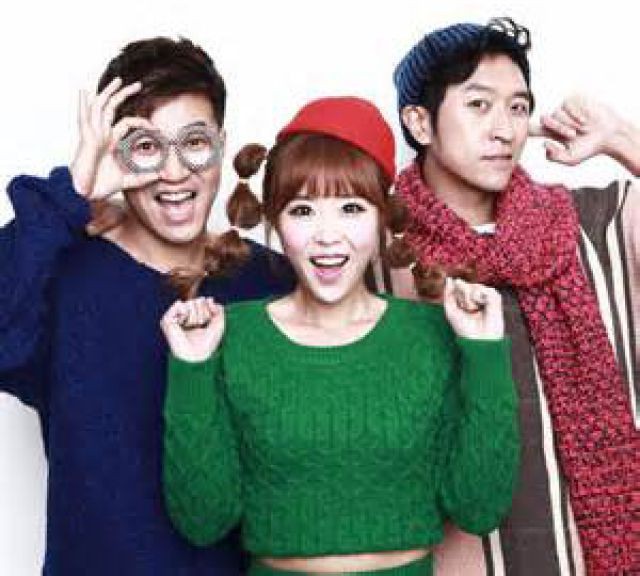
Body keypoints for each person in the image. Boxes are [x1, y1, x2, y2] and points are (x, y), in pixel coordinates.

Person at [160, 96, 520, 576]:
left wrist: (485, 354)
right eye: (303, 210)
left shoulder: (431, 334)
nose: (327, 235)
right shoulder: (230, 335)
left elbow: (480, 508)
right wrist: (191, 370)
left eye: (351, 208)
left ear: (382, 219)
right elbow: (202, 521)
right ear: (274, 221)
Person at [0, 37, 294, 575]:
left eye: (194, 143)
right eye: (146, 147)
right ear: (117, 155)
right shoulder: (66, 274)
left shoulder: (267, 281)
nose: (174, 172)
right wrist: (75, 192)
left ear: (222, 145)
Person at [388, 18, 639, 575]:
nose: (504, 130)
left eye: (518, 108)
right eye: (479, 105)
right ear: (420, 122)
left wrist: (620, 137)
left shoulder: (592, 223)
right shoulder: (376, 255)